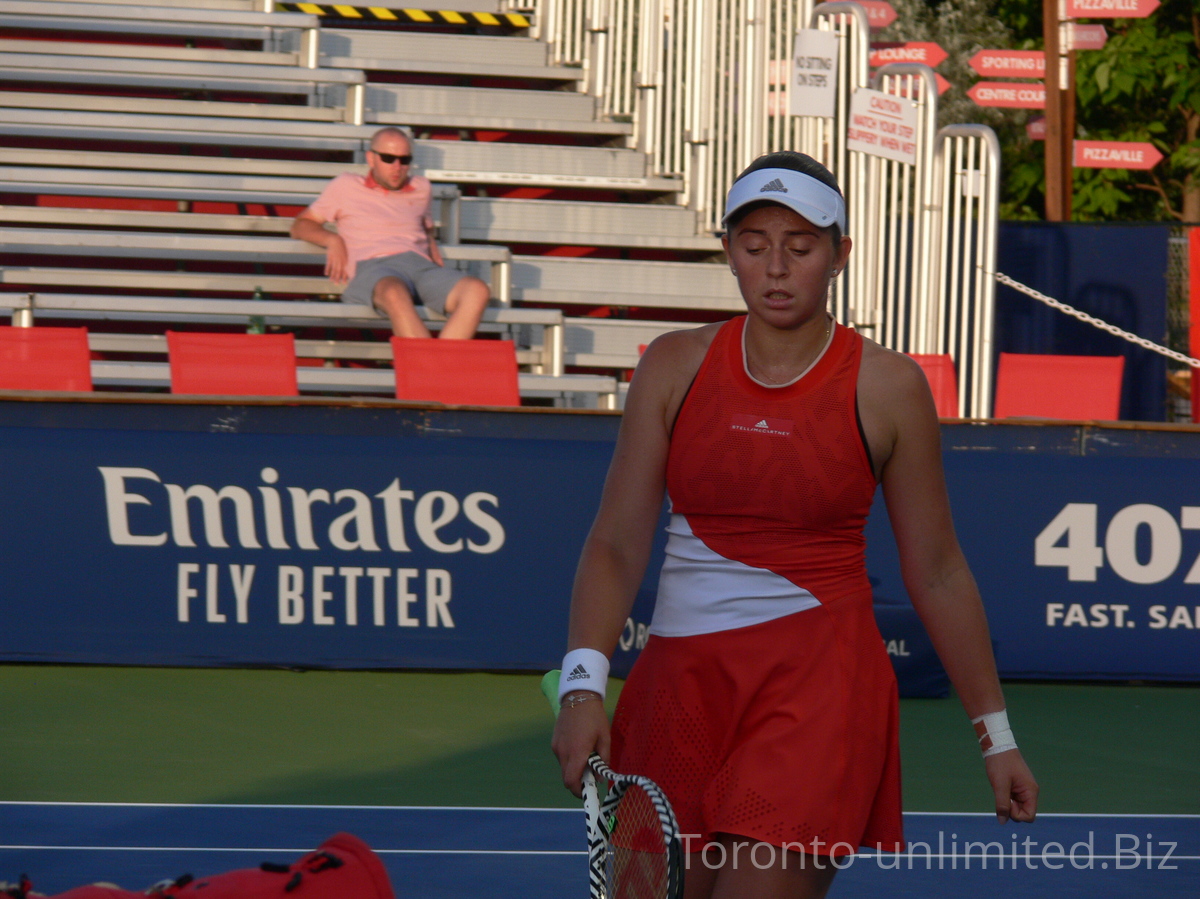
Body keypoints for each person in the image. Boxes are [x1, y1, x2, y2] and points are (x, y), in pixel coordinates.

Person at [550, 151, 1038, 899]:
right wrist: (582, 686)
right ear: (728, 252)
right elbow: (615, 539)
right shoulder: (673, 365)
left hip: (819, 690)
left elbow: (937, 568)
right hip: (679, 691)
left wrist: (995, 736)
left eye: (801, 246)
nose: (776, 266)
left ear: (840, 255)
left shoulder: (889, 386)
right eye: (754, 245)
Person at [291, 126, 490, 340]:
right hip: (374, 267)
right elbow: (300, 224)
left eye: (404, 160)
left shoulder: (421, 187)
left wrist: (432, 250)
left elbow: (425, 230)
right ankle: (431, 369)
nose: (397, 167)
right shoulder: (346, 185)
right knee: (394, 293)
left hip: (420, 266)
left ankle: (433, 370)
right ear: (371, 158)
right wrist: (332, 239)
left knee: (477, 290)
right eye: (388, 158)